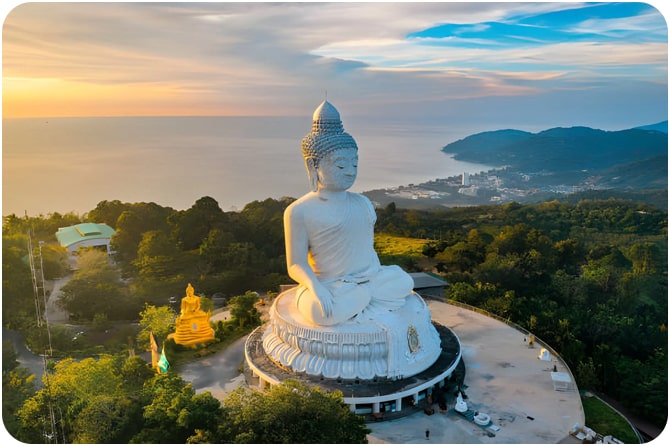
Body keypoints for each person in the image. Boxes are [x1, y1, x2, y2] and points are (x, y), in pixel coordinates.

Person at [284, 100, 414, 326]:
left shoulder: (363, 202)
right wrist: (316, 288)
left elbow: (368, 251)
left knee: (403, 281)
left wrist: (369, 279)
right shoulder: (299, 211)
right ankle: (360, 299)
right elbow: (295, 264)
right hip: (330, 285)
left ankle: (361, 298)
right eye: (341, 166)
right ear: (313, 165)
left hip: (369, 280)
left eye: (355, 164)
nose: (350, 172)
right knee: (319, 311)